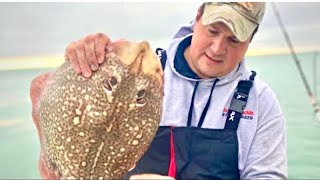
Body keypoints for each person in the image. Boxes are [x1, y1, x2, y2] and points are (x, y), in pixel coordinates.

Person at [39, 2, 288, 179]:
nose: (217, 48)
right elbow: (42, 90)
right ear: (198, 17)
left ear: (250, 40)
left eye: (234, 40)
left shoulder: (259, 102)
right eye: (213, 31)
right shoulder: (146, 73)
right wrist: (79, 63)